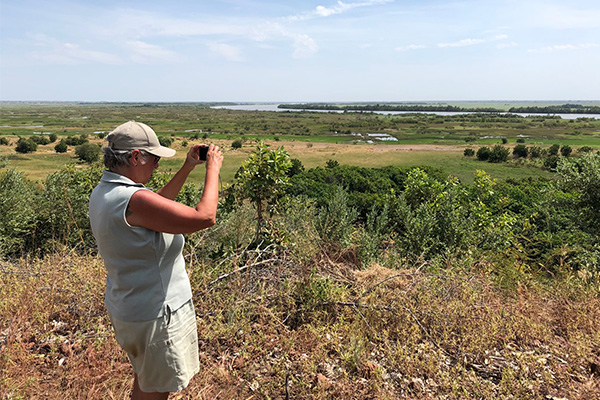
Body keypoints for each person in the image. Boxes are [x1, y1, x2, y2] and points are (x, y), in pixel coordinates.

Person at [89, 120, 223, 400]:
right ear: (136, 156)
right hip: (155, 314)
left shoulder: (106, 192)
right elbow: (205, 217)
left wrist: (187, 167)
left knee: (147, 381)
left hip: (132, 307)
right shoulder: (132, 199)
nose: (157, 166)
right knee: (156, 391)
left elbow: (155, 206)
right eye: (154, 159)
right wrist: (214, 169)